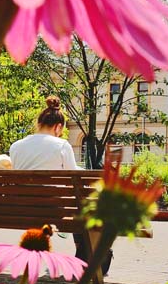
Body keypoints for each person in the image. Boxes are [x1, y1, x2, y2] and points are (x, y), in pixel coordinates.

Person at [9, 96, 111, 274]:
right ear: (58, 127)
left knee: (80, 209)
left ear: (39, 123)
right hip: (55, 210)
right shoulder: (61, 145)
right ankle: (92, 257)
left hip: (22, 209)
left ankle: (83, 257)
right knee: (87, 209)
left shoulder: (16, 146)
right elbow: (76, 177)